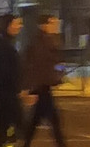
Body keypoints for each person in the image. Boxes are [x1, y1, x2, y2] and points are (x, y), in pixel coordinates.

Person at [22, 15, 67, 147]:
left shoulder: (47, 40)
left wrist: (59, 72)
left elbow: (55, 63)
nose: (55, 26)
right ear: (44, 25)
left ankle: (25, 144)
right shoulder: (41, 43)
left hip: (42, 86)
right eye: (52, 23)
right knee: (54, 121)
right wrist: (30, 89)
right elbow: (36, 67)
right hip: (41, 87)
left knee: (36, 121)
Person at [0, 14, 26, 147]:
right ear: (7, 26)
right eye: (16, 24)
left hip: (5, 91)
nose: (19, 26)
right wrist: (18, 90)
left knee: (4, 125)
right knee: (14, 124)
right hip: (6, 92)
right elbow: (6, 71)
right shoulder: (3, 45)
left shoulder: (6, 43)